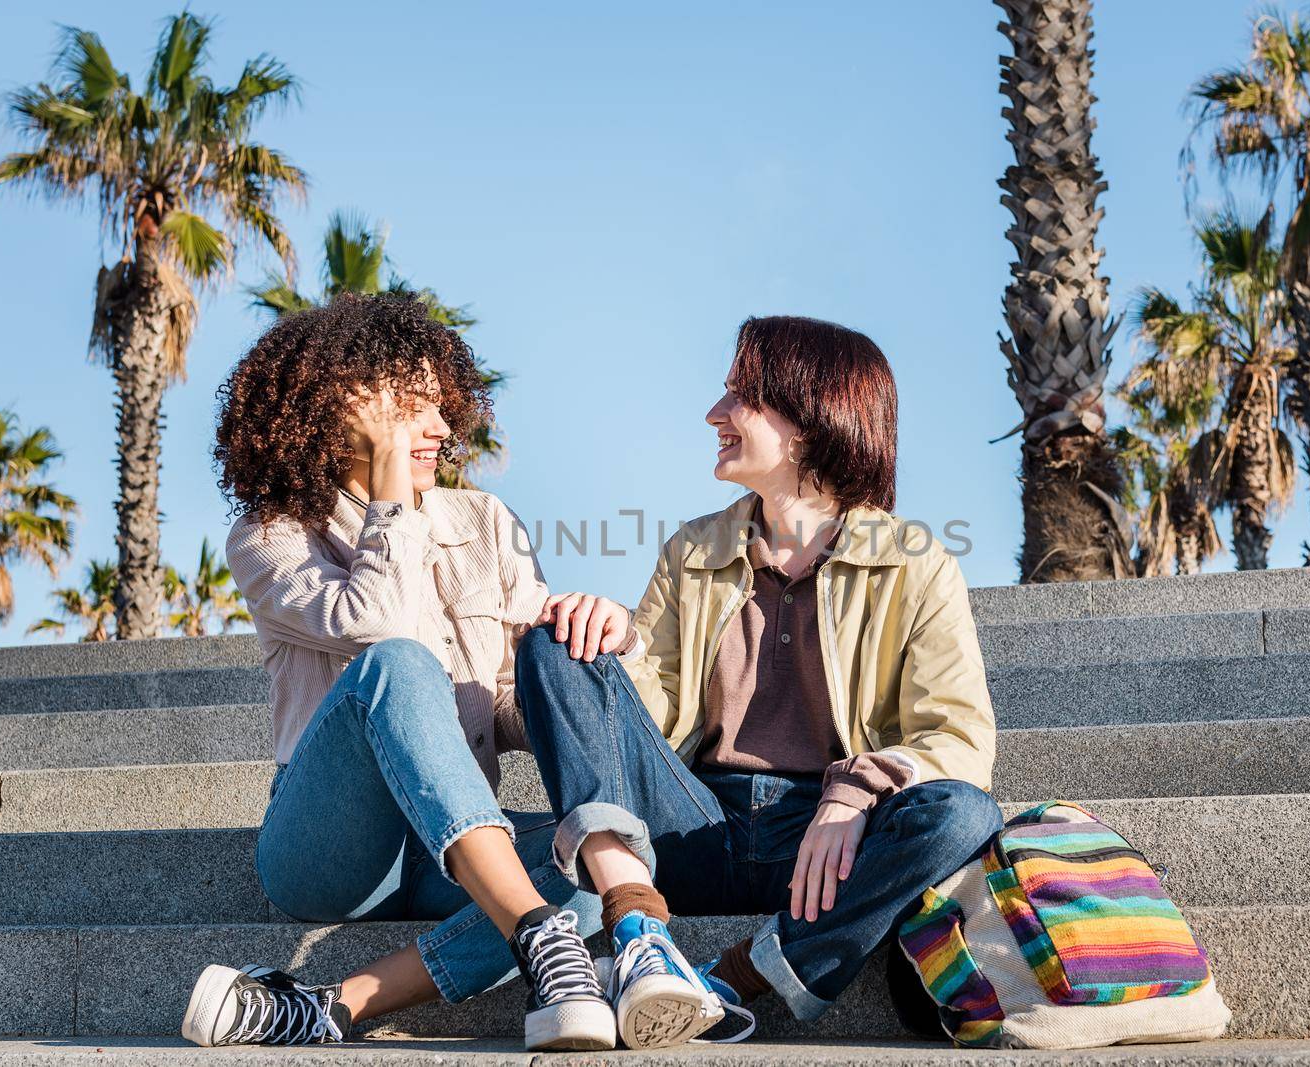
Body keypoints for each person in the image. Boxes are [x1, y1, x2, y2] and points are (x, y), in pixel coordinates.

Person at [517, 315, 1004, 1049]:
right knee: (557, 642)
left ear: (809, 420)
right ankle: (639, 929)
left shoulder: (915, 562)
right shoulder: (693, 548)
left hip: (824, 848)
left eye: (741, 396)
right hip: (692, 825)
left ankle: (736, 977)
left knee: (963, 814)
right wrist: (609, 639)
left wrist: (857, 785)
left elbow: (960, 738)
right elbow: (648, 711)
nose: (716, 414)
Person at [180, 293, 633, 1051]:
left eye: (442, 402)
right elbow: (380, 622)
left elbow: (512, 703)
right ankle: (532, 929)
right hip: (328, 847)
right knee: (398, 662)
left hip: (450, 846)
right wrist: (393, 495)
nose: (444, 428)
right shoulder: (270, 536)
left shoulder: (484, 519)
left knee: (597, 858)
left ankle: (334, 1004)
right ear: (344, 405)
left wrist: (594, 637)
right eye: (415, 404)